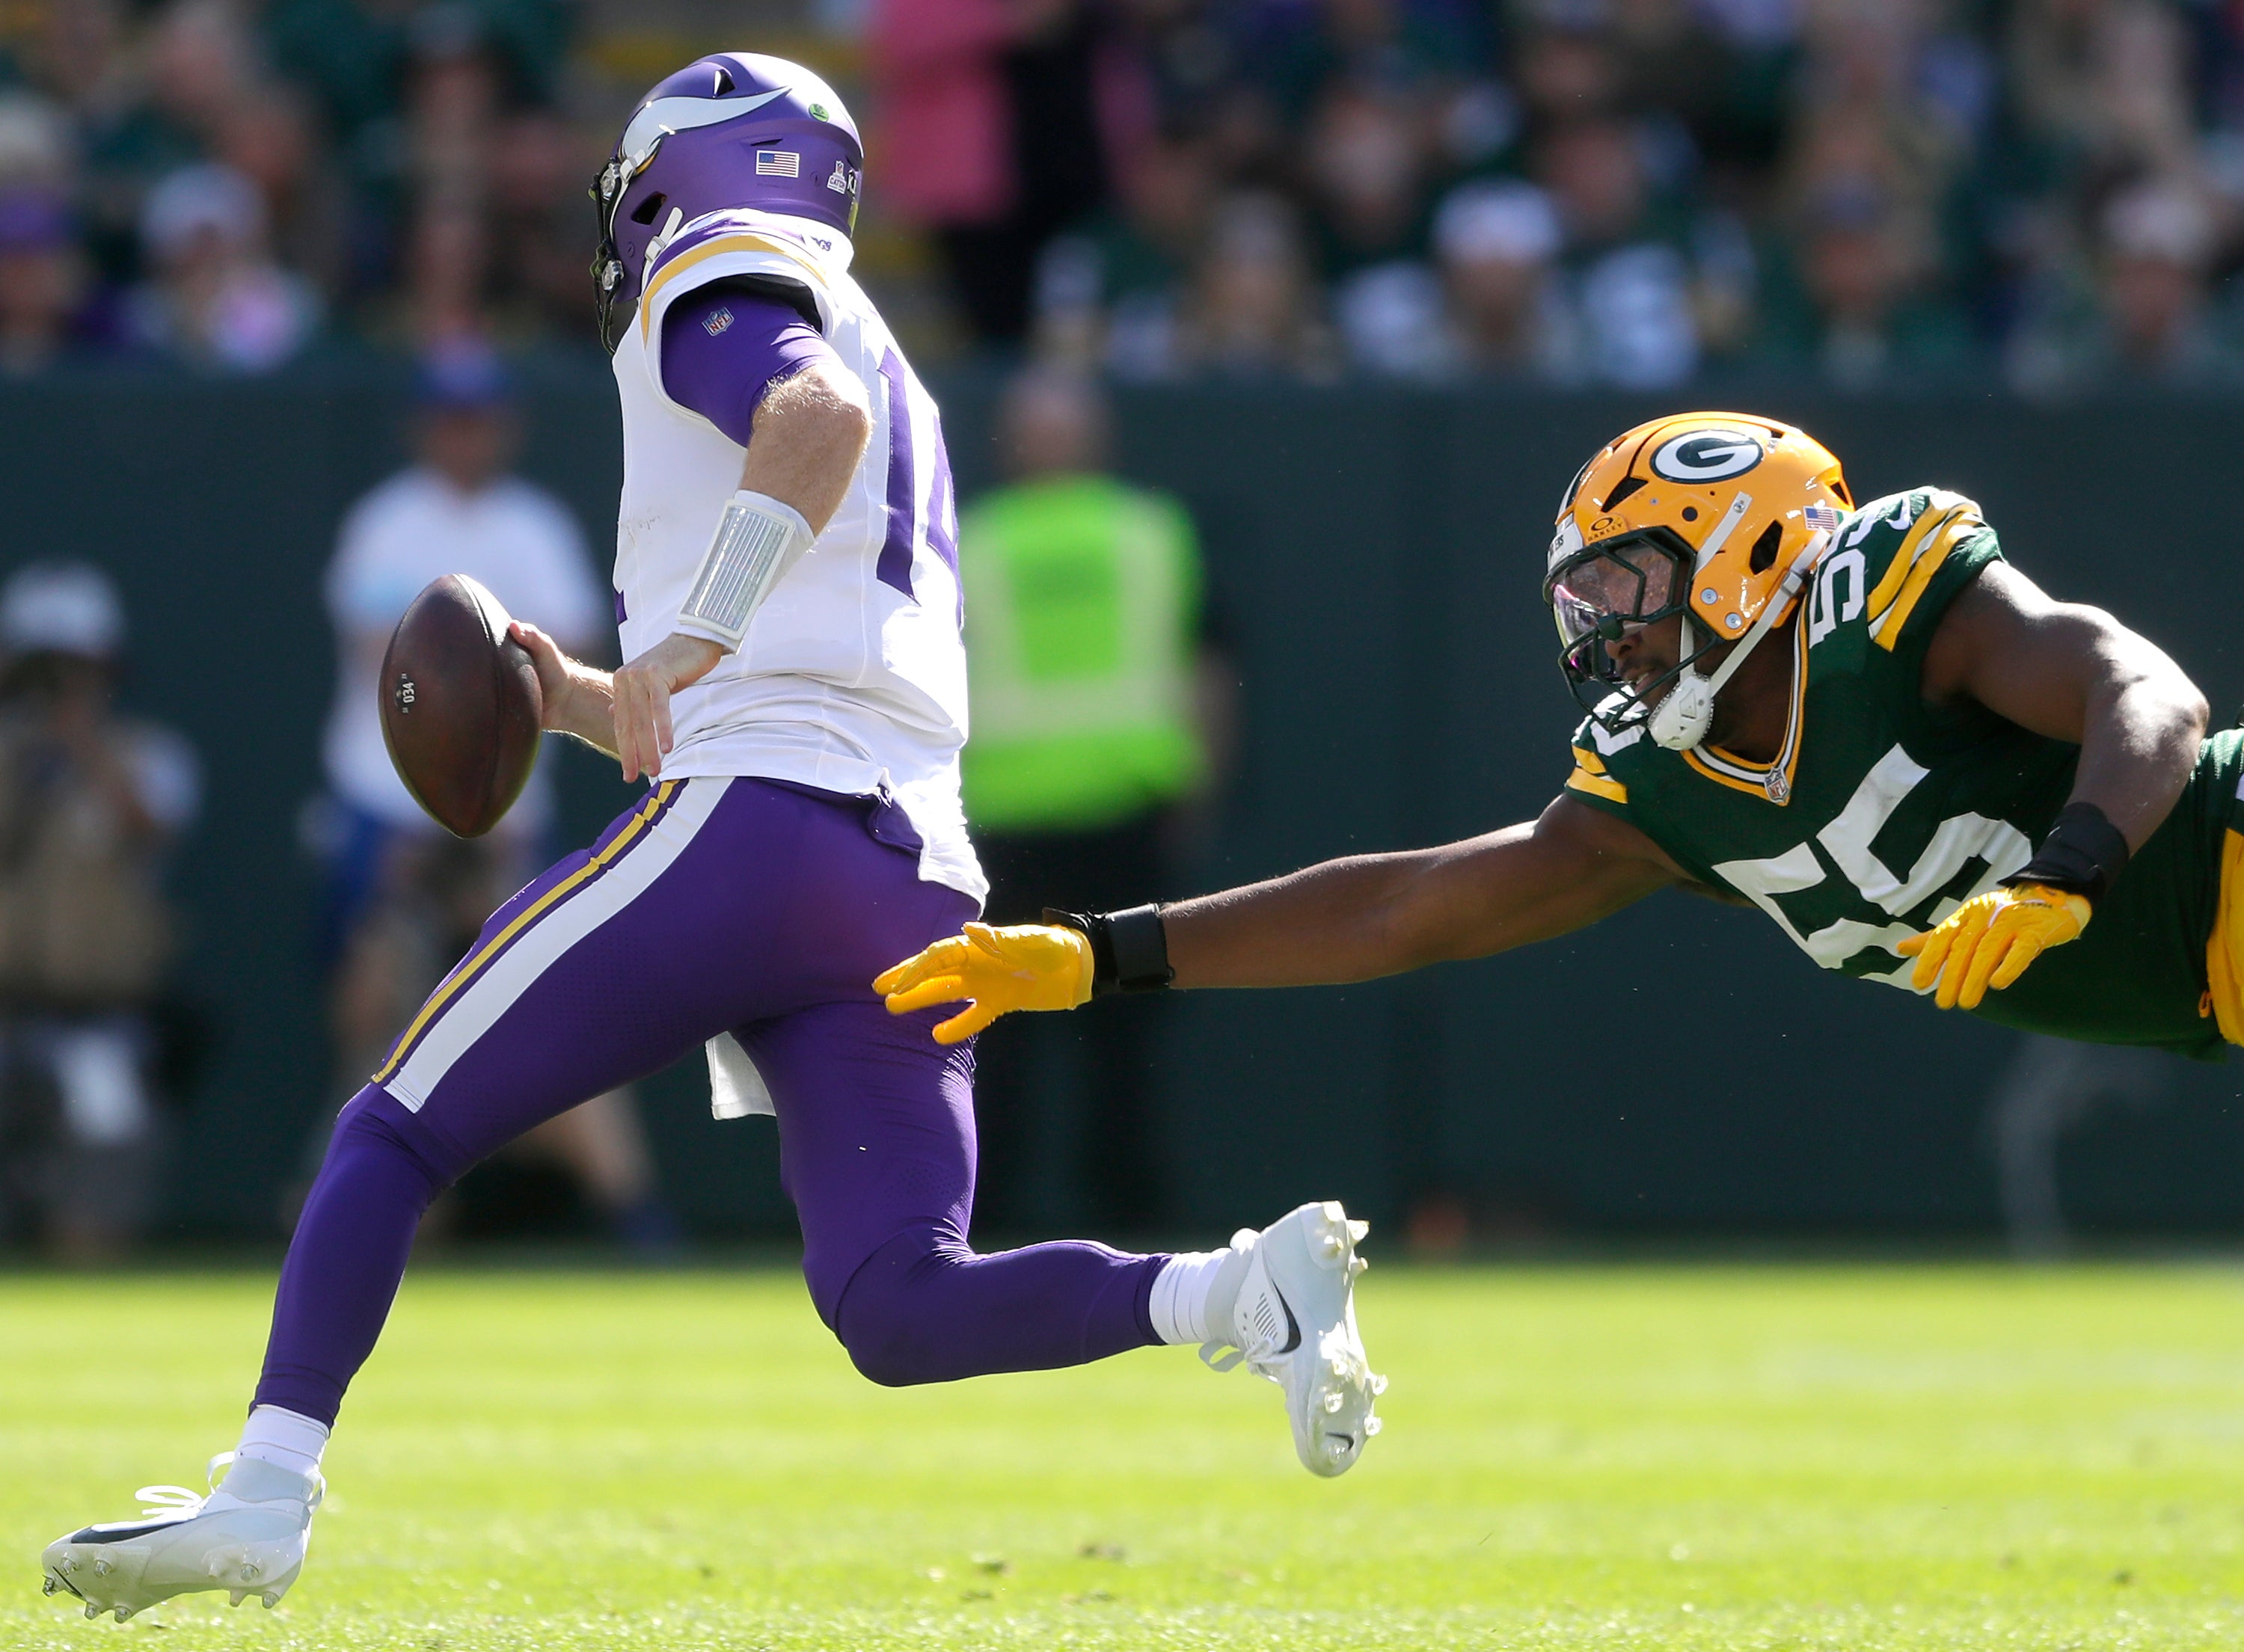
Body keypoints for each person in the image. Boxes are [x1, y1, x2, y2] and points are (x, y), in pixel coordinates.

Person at [40, 54, 1382, 1625]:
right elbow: (786, 637)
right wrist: (583, 694)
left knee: (392, 1127)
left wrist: (694, 637)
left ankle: (266, 1493)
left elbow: (803, 428)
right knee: (897, 1299)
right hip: (908, 870)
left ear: (680, 171)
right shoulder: (887, 347)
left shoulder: (729, 268)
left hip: (762, 827)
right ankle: (1238, 1289)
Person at [876, 411, 2235, 1176]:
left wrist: (2071, 865)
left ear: (1746, 542)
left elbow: (2147, 690)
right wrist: (1102, 952)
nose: (1606, 629)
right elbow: (1406, 907)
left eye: (1627, 580)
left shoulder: (1888, 603)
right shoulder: (1668, 783)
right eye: (1586, 599)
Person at [310, 339, 672, 1250]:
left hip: (502, 813)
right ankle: (377, 1220)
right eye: (449, 419)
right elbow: (394, 673)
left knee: (538, 1011)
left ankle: (631, 1214)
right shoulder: (388, 522)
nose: (464, 437)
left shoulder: (531, 527)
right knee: (378, 1017)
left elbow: (565, 667)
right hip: (386, 805)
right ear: (424, 428)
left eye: (477, 419)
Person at [959, 367, 1219, 1229]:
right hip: (1102, 818)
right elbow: (1208, 667)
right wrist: (1198, 783)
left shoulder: (971, 540)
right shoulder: (1150, 531)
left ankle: (986, 1222)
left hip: (1027, 820)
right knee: (1119, 1039)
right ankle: (1132, 1221)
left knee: (1007, 1039)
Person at [0, 563, 200, 1262]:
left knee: (97, 1188)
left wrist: (79, 739)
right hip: (7, 1013)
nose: (57, 688)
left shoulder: (151, 755)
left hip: (98, 1023)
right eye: (43, 671)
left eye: (76, 669)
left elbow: (151, 826)